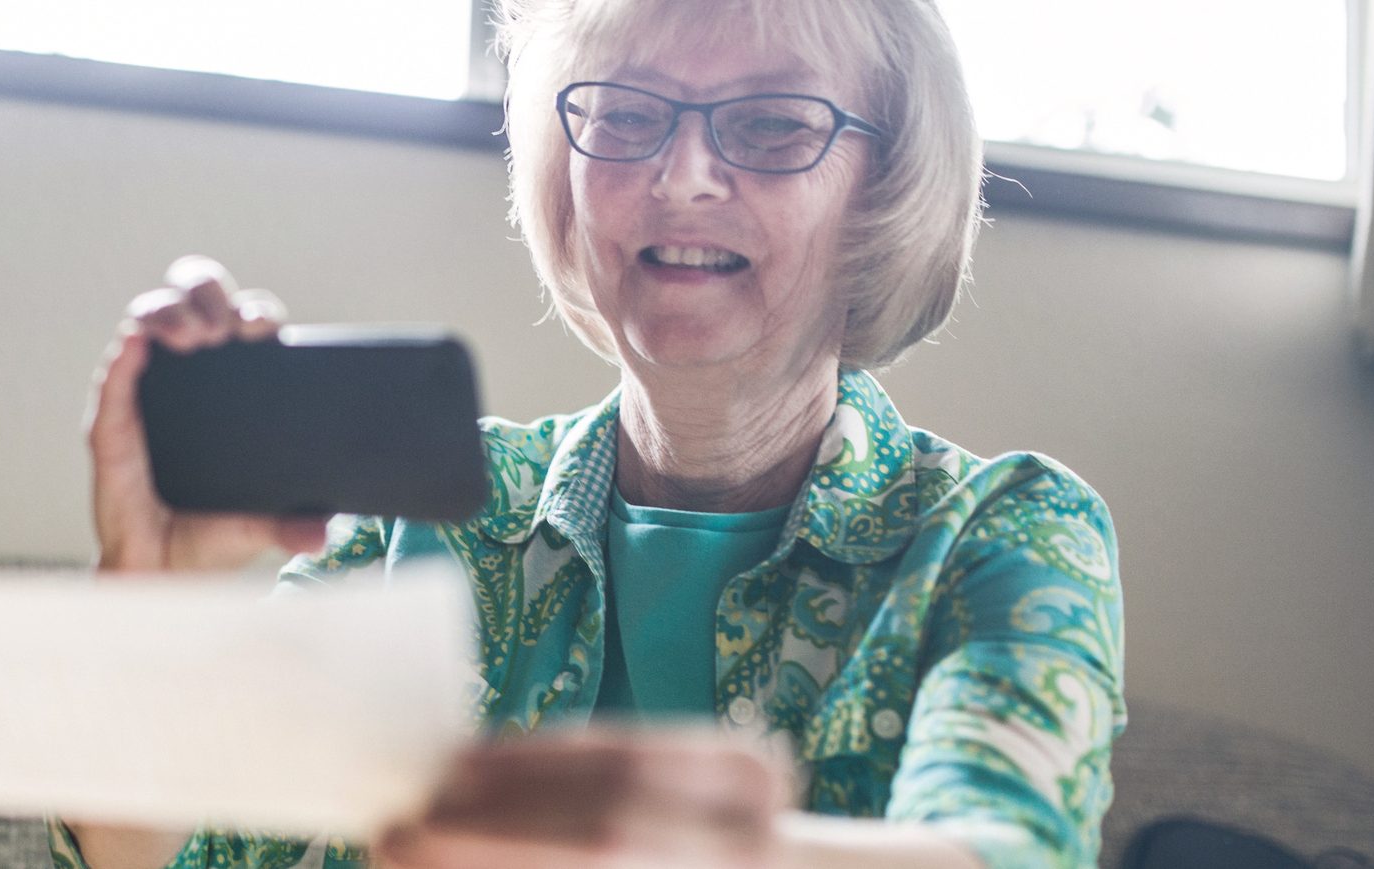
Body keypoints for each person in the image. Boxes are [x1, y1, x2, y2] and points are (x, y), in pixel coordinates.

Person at [64, 0, 1124, 866]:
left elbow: (1003, 847)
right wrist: (147, 590)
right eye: (625, 115)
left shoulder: (1004, 531)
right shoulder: (435, 517)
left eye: (770, 124)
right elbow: (189, 852)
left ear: (880, 188)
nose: (683, 176)